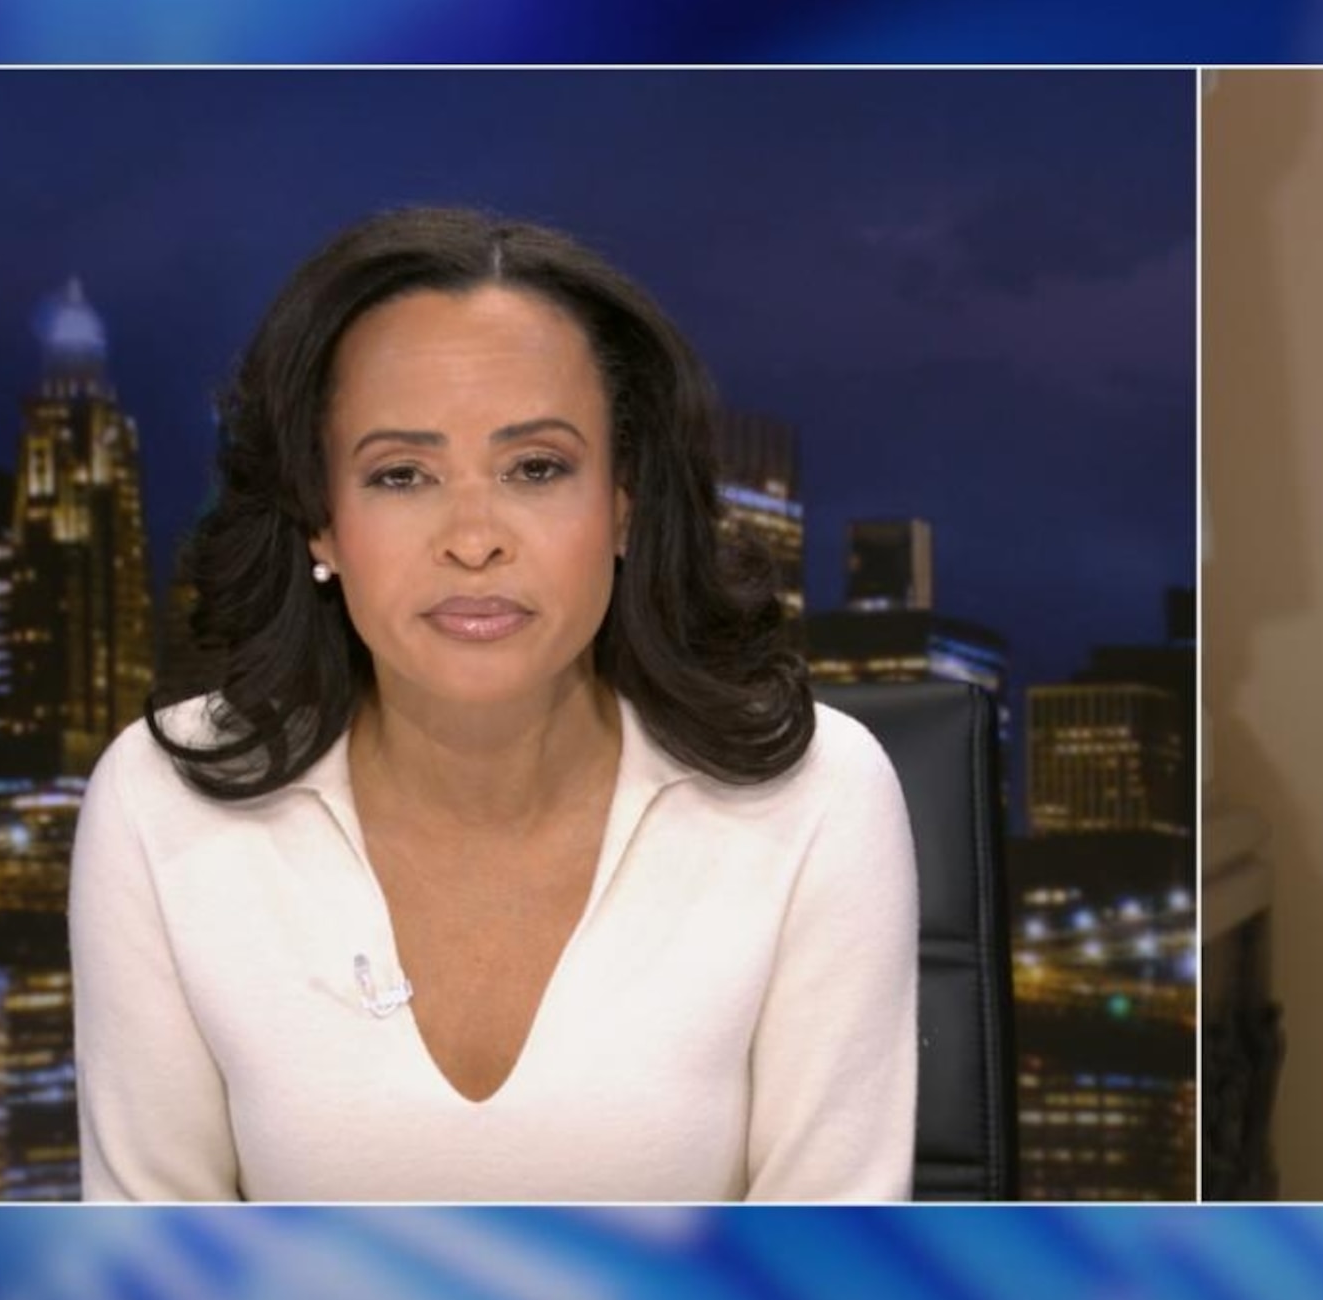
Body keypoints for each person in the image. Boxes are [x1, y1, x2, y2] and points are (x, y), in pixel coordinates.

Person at [73, 208, 918, 1201]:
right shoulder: (158, 800)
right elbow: (149, 1269)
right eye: (402, 475)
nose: (473, 539)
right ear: (319, 522)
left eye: (536, 468)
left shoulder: (819, 797)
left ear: (625, 502)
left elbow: (827, 1273)